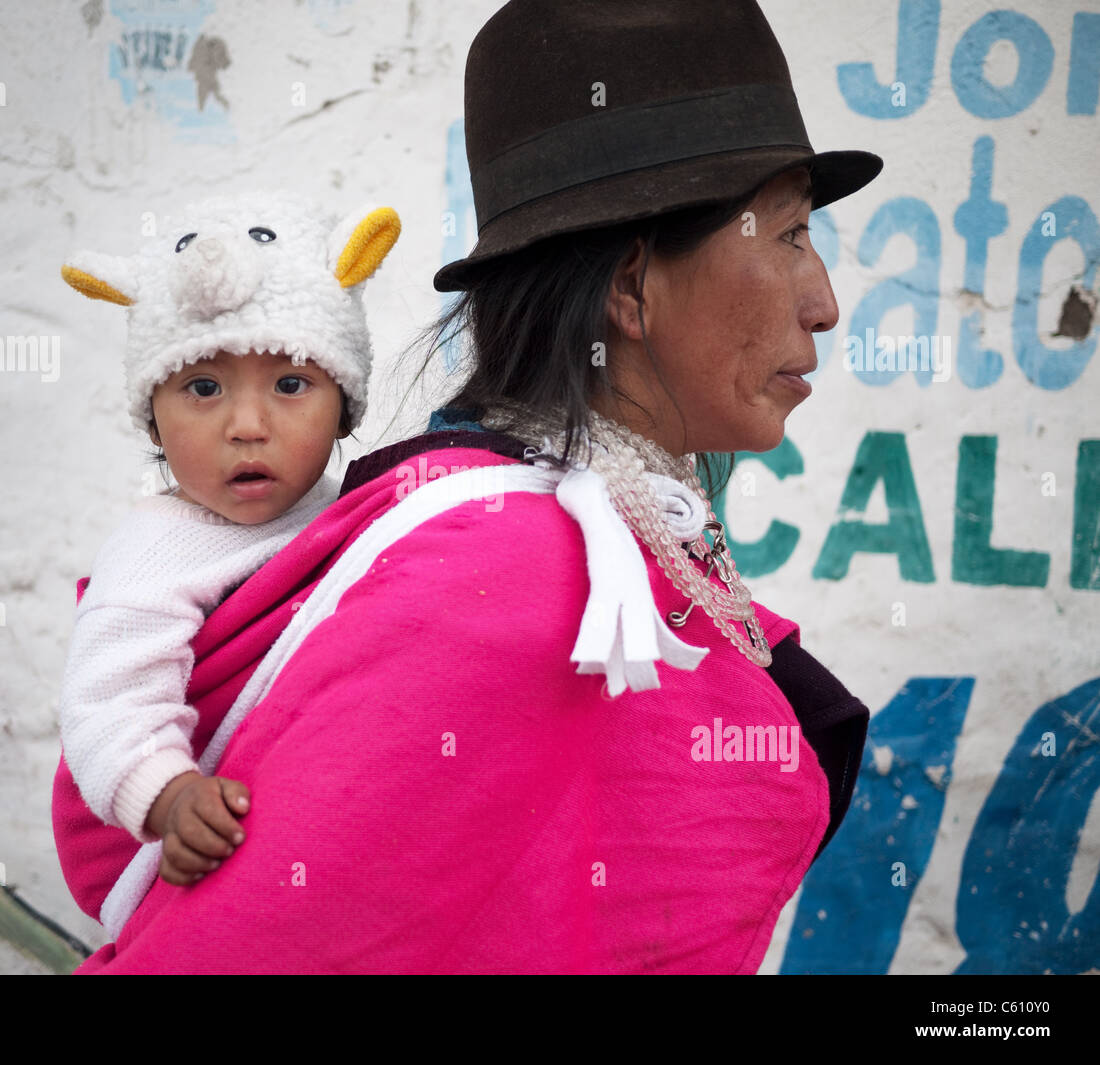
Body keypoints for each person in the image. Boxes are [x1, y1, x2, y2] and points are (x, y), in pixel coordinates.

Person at [51, 0, 876, 973]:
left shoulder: (589, 536)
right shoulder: (511, 568)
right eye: (785, 235)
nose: (821, 301)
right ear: (630, 285)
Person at [56, 192, 399, 890]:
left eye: (292, 382)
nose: (247, 423)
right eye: (204, 386)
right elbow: (107, 700)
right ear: (152, 420)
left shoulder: (357, 514)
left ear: (345, 407)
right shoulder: (155, 550)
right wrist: (171, 795)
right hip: (194, 852)